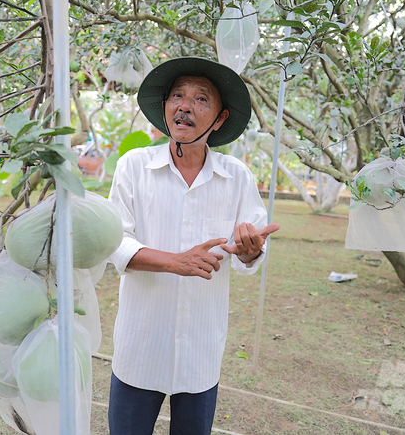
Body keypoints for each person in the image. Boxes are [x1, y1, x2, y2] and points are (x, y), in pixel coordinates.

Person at [107, 57, 280, 435]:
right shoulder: (133, 166)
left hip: (200, 353)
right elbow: (116, 242)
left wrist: (251, 250)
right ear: (166, 108)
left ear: (219, 119)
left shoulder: (236, 177)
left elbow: (248, 253)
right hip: (140, 348)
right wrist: (175, 261)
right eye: (177, 96)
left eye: (202, 99)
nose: (185, 105)